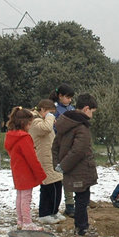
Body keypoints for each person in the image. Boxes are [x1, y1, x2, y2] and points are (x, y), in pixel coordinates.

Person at [52, 93, 99, 237]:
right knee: (82, 199)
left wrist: (58, 164)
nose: (92, 115)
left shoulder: (64, 123)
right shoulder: (81, 127)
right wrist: (64, 165)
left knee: (79, 197)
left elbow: (55, 146)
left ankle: (80, 226)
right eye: (92, 111)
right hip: (81, 169)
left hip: (71, 169)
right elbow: (78, 151)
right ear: (86, 109)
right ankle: (82, 228)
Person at [4, 106, 47, 231]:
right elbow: (32, 158)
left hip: (17, 170)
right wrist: (40, 174)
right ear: (24, 123)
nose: (30, 127)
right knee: (26, 198)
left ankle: (20, 220)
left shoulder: (11, 136)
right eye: (29, 124)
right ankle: (27, 222)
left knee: (20, 196)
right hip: (26, 172)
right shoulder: (24, 138)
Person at [29, 99, 66, 225]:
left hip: (50, 157)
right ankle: (46, 213)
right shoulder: (35, 121)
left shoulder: (41, 120)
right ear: (43, 110)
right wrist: (50, 118)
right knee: (50, 186)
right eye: (50, 112)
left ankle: (53, 211)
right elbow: (45, 129)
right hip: (44, 158)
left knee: (55, 184)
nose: (52, 116)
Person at [49, 83, 76, 217]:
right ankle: (68, 204)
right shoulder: (54, 110)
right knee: (62, 175)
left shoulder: (70, 108)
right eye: (68, 97)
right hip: (60, 146)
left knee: (70, 174)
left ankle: (71, 203)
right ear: (60, 96)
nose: (69, 100)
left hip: (71, 144)